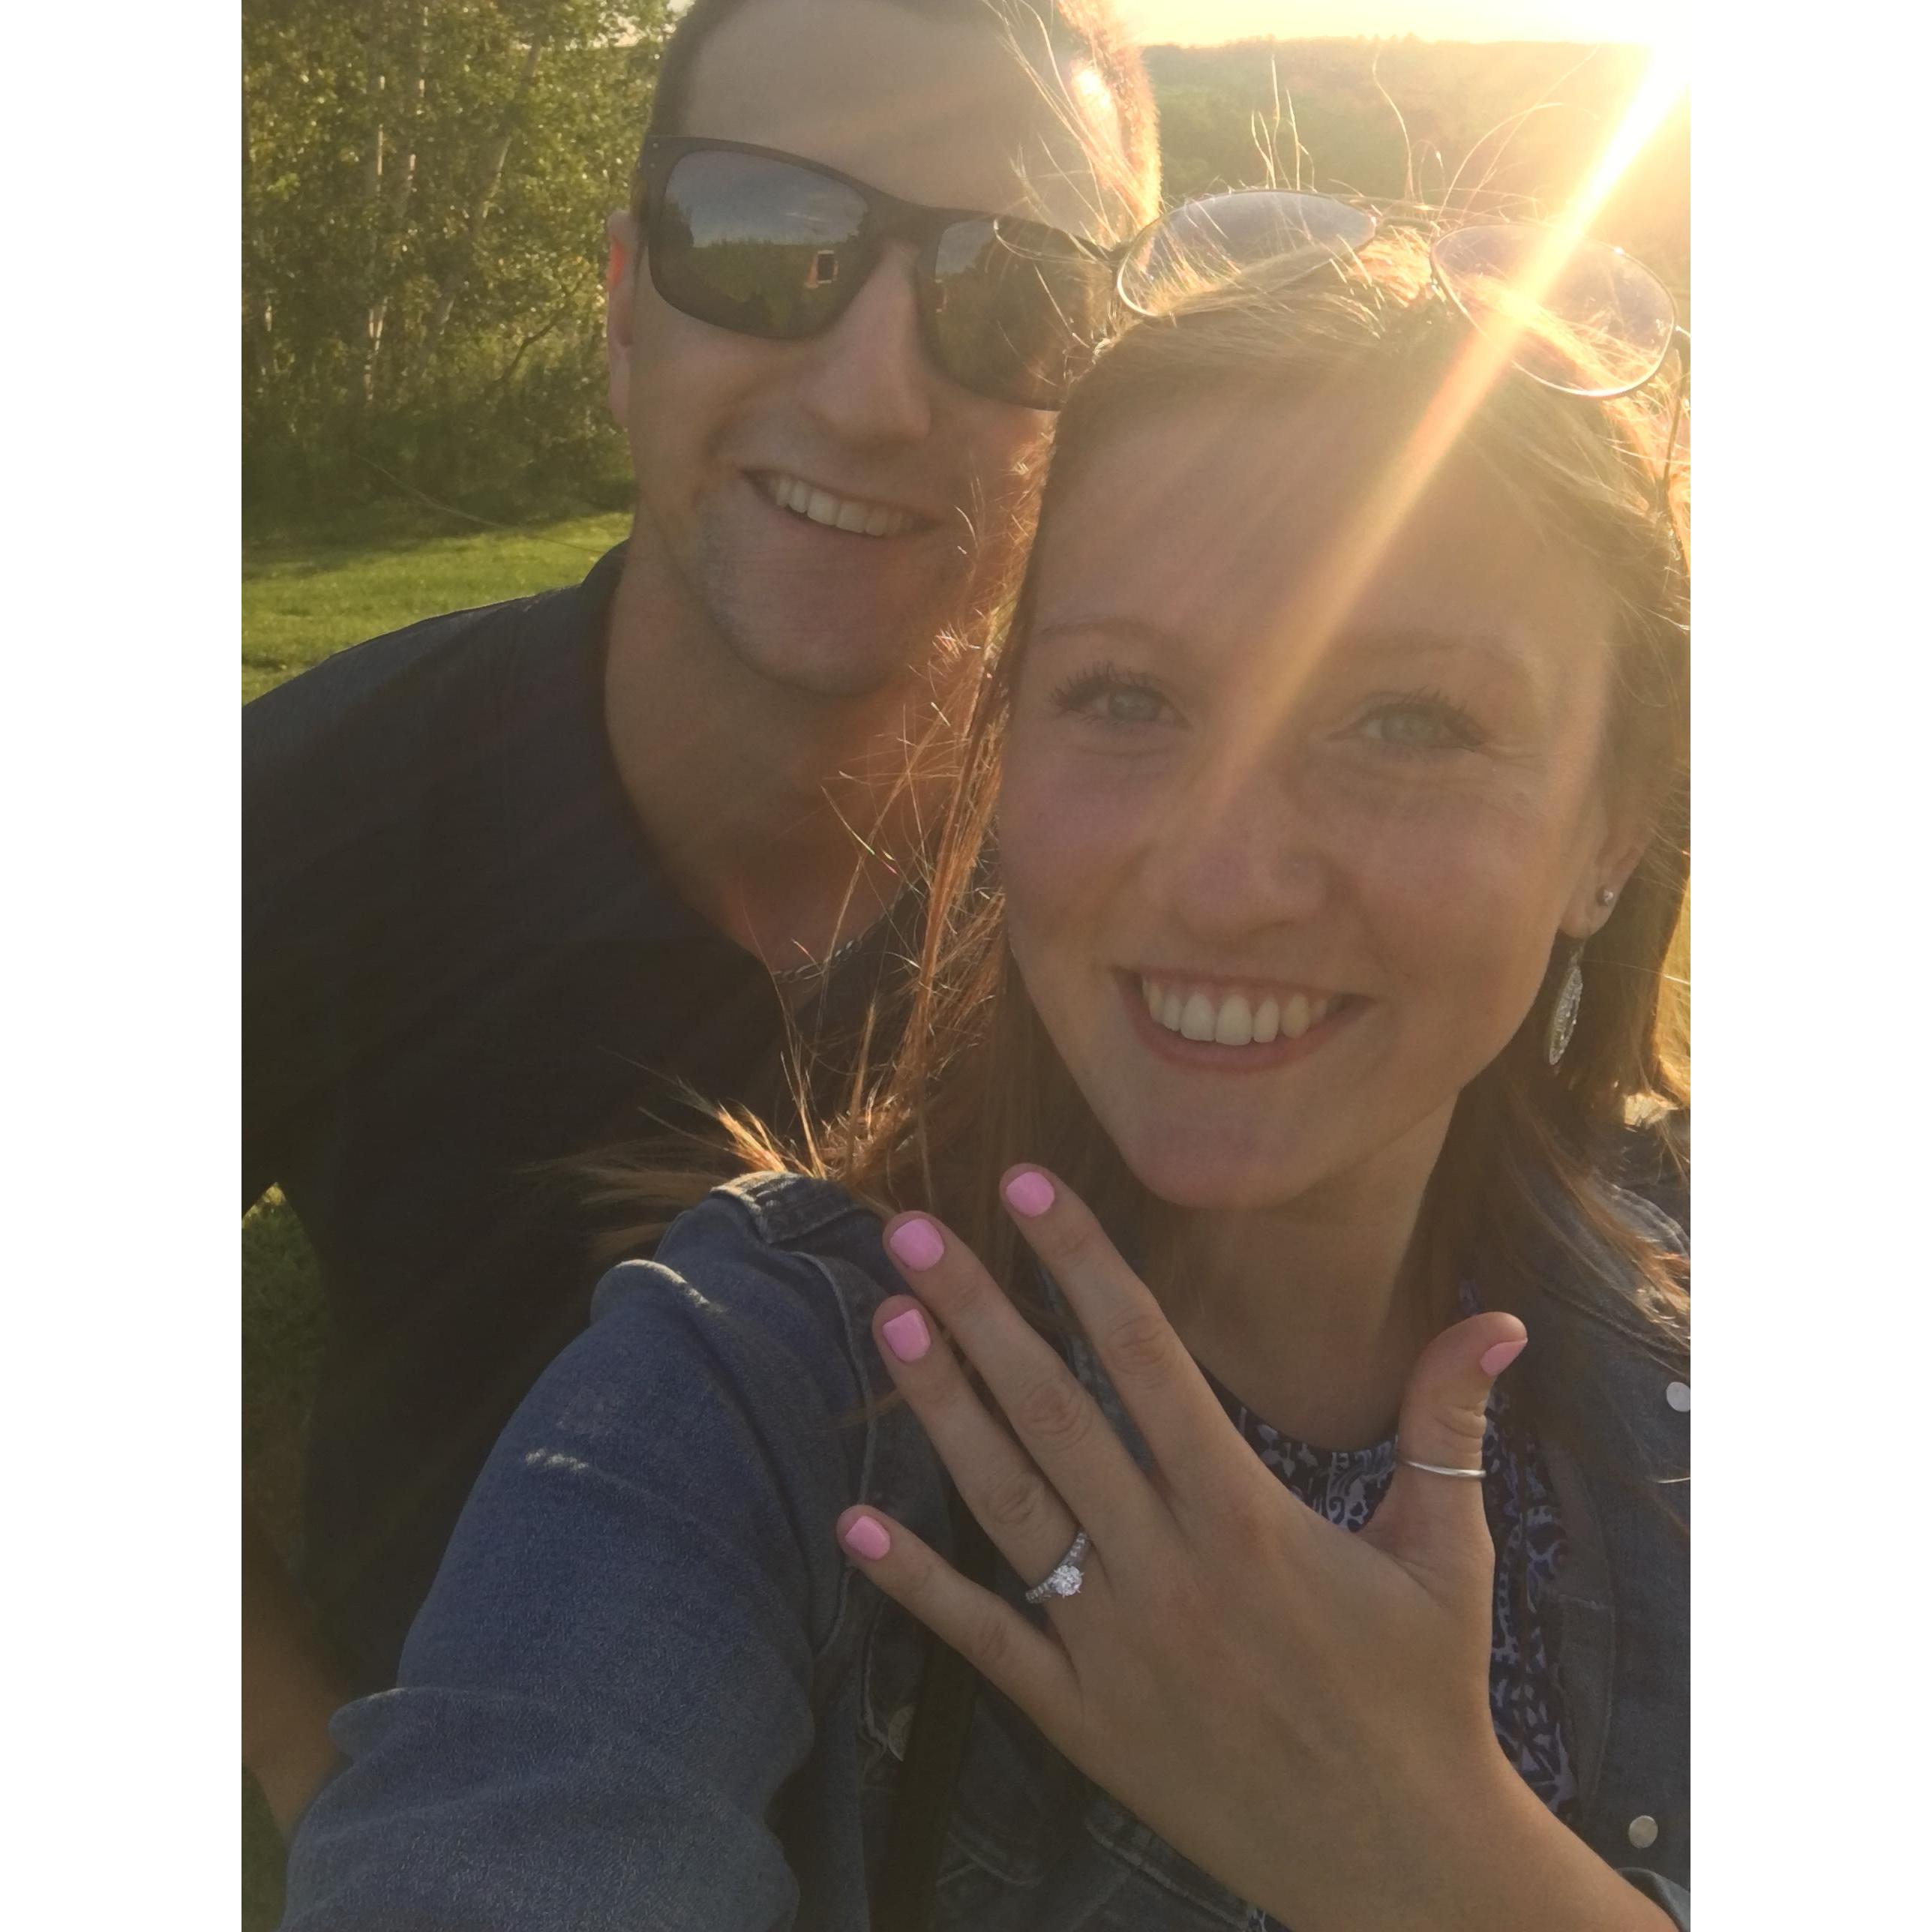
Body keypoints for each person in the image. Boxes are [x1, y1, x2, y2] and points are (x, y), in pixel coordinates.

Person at [280, 205, 1690, 1930]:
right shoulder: (763, 1392)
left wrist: (1439, 1861)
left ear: (1615, 818)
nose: (1223, 876)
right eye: (1126, 698)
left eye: (1408, 722)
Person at [242, 0, 1160, 1838]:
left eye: (1014, 293)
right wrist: (312, 1757)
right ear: (620, 307)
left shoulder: (1158, 873)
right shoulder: (318, 806)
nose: (875, 392)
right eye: (764, 239)